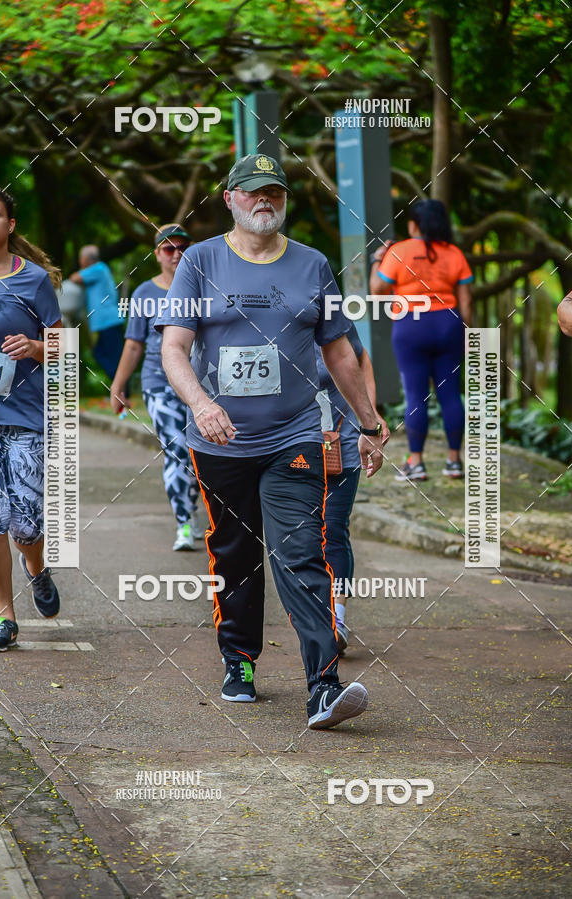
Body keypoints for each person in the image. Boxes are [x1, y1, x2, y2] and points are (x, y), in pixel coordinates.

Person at [156, 154, 384, 730]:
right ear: (230, 198)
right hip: (221, 440)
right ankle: (239, 661)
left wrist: (369, 424)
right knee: (235, 552)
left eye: (275, 193)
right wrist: (202, 404)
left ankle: (323, 687)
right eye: (254, 193)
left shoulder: (313, 265)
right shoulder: (200, 262)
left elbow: (338, 350)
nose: (266, 202)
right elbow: (174, 348)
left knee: (300, 550)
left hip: (296, 434)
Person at [0, 185, 62, 652]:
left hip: (26, 415)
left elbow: (62, 347)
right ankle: (4, 616)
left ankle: (36, 566)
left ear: (10, 225)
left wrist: (33, 348)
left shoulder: (34, 281)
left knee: (26, 521)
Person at [110, 224, 201, 551]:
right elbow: (134, 344)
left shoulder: (204, 286)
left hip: (202, 385)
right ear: (157, 253)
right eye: (168, 248)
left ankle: (203, 514)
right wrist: (118, 385)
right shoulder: (144, 294)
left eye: (183, 248)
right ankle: (184, 523)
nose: (176, 254)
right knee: (177, 450)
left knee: (201, 455)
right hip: (158, 383)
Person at [369, 199, 473, 481]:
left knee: (416, 395)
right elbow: (466, 303)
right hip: (448, 324)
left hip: (411, 325)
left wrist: (377, 258)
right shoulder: (454, 254)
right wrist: (467, 334)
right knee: (450, 394)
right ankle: (454, 462)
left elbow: (377, 290)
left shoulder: (398, 251)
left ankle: (416, 463)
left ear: (414, 225)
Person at [315, 325, 390, 654]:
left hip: (340, 444)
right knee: (300, 534)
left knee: (333, 528)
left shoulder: (330, 313)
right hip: (289, 446)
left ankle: (337, 618)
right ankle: (311, 615)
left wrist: (368, 420)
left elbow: (362, 361)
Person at [71, 245, 122, 380]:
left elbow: (74, 278)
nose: (80, 261)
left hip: (108, 320)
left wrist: (82, 270)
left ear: (86, 259)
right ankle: (120, 387)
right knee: (101, 353)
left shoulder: (98, 269)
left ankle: (122, 389)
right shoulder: (100, 270)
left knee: (110, 356)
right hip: (107, 320)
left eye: (81, 258)